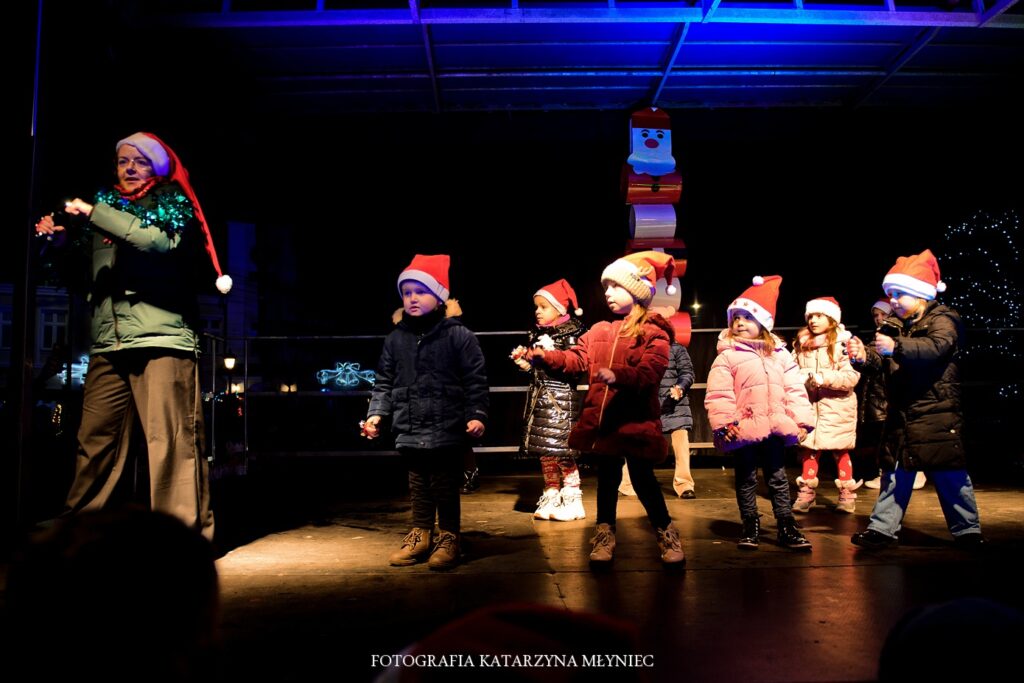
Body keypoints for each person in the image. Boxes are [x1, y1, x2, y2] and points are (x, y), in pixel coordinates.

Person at [34, 132, 229, 541]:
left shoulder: (170, 201)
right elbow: (80, 277)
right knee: (95, 440)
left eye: (139, 161)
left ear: (155, 167)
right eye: (123, 161)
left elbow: (157, 242)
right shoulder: (104, 213)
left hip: (162, 338)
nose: (129, 168)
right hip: (110, 341)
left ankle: (182, 539)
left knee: (169, 441)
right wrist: (59, 242)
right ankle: (79, 534)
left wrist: (95, 213)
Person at [527, 251, 685, 566]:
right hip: (607, 423)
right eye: (606, 287)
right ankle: (604, 535)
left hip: (636, 423)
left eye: (616, 286)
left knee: (643, 480)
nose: (608, 293)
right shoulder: (600, 330)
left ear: (637, 292)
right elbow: (576, 358)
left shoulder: (654, 333)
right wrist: (548, 357)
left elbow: (650, 373)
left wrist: (618, 375)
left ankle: (666, 533)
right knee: (607, 480)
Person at [849, 249, 983, 550]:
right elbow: (880, 359)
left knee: (949, 472)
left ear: (921, 294)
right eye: (891, 294)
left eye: (899, 294)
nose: (893, 300)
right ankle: (882, 528)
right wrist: (863, 356)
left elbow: (937, 347)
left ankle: (967, 531)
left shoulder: (943, 319)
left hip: (936, 409)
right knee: (895, 473)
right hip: (902, 412)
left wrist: (895, 347)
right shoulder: (892, 324)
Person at [362, 254, 489, 570]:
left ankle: (449, 536)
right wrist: (377, 413)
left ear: (440, 297)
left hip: (447, 422)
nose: (412, 298)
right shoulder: (396, 339)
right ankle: (421, 533)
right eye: (407, 293)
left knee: (444, 482)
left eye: (421, 291)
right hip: (410, 423)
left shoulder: (458, 335)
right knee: (418, 482)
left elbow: (475, 379)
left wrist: (476, 414)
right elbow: (384, 380)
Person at [704, 275, 814, 551]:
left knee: (778, 478)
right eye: (736, 318)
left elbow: (795, 389)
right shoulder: (727, 356)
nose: (740, 323)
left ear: (763, 322)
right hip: (744, 428)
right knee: (746, 478)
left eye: (747, 317)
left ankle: (786, 525)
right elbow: (719, 393)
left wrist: (801, 422)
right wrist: (725, 424)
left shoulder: (780, 355)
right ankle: (750, 525)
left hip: (774, 427)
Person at [510, 279, 587, 521]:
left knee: (563, 453)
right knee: (546, 453)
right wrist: (525, 362)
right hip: (541, 400)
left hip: (561, 402)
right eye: (536, 307)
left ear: (560, 309)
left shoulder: (572, 333)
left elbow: (575, 365)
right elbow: (538, 370)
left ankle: (573, 499)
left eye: (544, 307)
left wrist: (548, 355)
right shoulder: (538, 334)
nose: (538, 311)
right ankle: (551, 495)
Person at [791, 297, 862, 513]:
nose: (813, 320)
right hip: (810, 408)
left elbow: (851, 377)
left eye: (819, 316)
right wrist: (802, 378)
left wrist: (824, 378)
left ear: (831, 319)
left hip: (836, 409)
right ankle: (806, 492)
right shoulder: (801, 344)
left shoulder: (843, 345)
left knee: (840, 451)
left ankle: (847, 494)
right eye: (810, 316)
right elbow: (790, 371)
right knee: (810, 450)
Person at [861, 299, 926, 491]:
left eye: (883, 314)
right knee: (883, 438)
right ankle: (885, 474)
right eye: (876, 315)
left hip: (892, 393)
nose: (879, 318)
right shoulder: (877, 338)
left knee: (906, 435)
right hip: (878, 394)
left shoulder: (899, 335)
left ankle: (917, 472)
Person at [662, 338, 697, 498]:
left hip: (675, 404)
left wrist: (681, 387)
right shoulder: (640, 346)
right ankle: (628, 484)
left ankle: (684, 485)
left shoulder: (677, 348)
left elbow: (687, 373)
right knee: (636, 443)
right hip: (647, 402)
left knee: (681, 442)